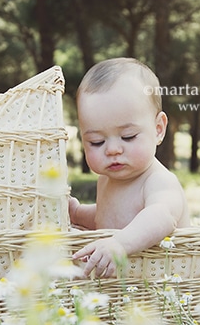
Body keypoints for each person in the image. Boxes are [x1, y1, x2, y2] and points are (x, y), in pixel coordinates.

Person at [69, 58, 190, 278]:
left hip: (164, 281)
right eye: (96, 141)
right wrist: (77, 213)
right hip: (125, 289)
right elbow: (109, 216)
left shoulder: (158, 181)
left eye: (128, 136)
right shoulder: (106, 179)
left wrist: (120, 244)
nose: (113, 149)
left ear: (158, 129)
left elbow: (160, 216)